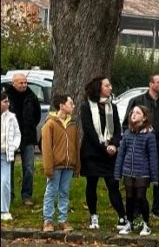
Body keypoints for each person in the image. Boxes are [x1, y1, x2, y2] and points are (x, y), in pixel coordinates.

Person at [123, 74, 159, 219]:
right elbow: (126, 123)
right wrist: (132, 139)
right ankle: (136, 209)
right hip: (141, 145)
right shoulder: (137, 101)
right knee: (139, 177)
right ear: (151, 84)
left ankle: (157, 208)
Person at [79, 76, 127, 231]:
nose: (110, 87)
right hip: (92, 152)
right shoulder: (86, 107)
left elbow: (118, 129)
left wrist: (113, 144)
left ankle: (122, 216)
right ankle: (93, 215)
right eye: (107, 85)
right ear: (98, 88)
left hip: (110, 153)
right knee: (91, 184)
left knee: (113, 184)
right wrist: (103, 148)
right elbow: (89, 131)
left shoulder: (111, 106)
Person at [114, 105, 158, 235]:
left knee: (140, 197)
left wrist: (154, 177)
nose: (134, 114)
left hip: (142, 172)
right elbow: (121, 154)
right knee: (129, 197)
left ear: (144, 117)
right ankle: (130, 223)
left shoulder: (149, 135)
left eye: (138, 113)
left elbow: (153, 157)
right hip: (128, 171)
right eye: (132, 112)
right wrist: (117, 172)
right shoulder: (127, 133)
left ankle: (146, 223)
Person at [40, 94, 80, 232]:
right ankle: (48, 220)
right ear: (62, 106)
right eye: (70, 103)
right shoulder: (50, 124)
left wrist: (76, 164)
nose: (73, 106)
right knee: (51, 191)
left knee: (64, 192)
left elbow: (75, 145)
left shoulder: (72, 124)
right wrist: (48, 167)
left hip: (68, 165)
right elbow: (46, 148)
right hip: (55, 165)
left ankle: (63, 220)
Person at [2, 73, 41, 207]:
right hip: (10, 138)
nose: (24, 85)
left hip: (28, 137)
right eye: (21, 83)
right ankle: (9, 195)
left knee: (29, 168)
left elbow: (37, 115)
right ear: (14, 83)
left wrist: (29, 126)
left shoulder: (32, 97)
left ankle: (27, 196)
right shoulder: (6, 97)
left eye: (25, 82)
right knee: (9, 168)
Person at [1, 92, 22, 221]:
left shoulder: (11, 117)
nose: (8, 104)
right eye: (5, 101)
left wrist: (13, 146)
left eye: (8, 101)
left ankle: (4, 210)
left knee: (5, 182)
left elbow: (17, 134)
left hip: (5, 154)